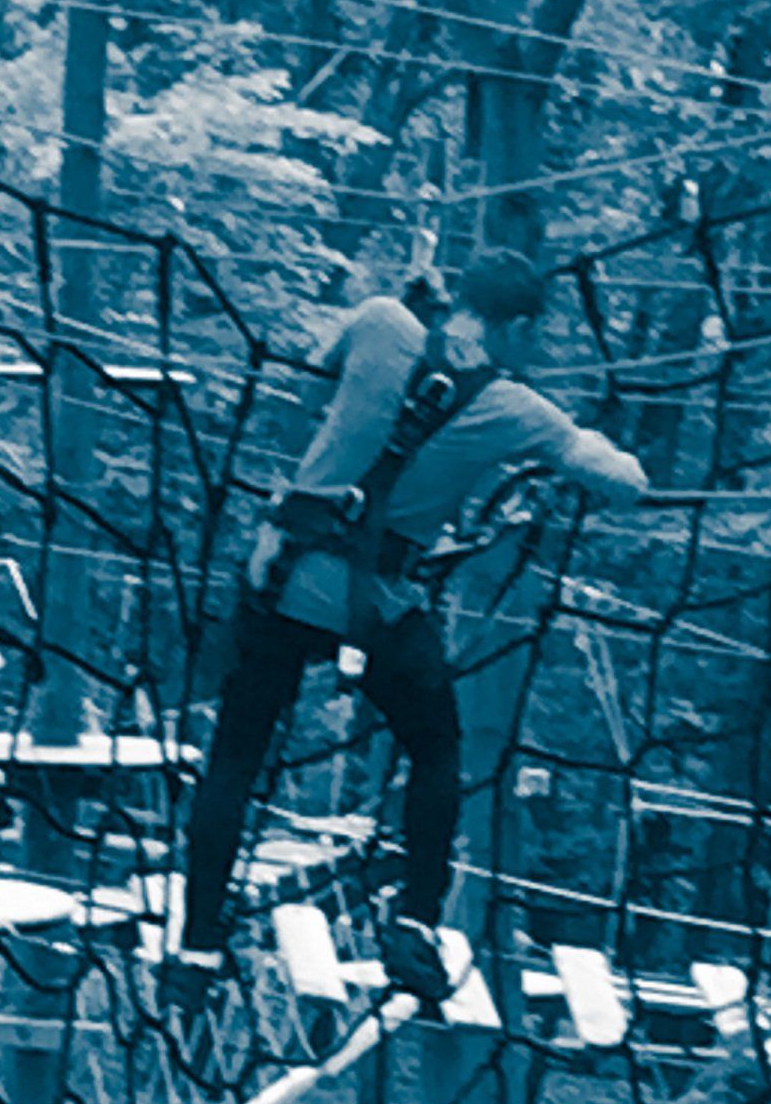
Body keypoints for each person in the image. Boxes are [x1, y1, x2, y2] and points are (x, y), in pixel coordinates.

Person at [173, 249, 648, 1005]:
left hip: (283, 577)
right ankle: (416, 922)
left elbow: (315, 365)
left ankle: (194, 952)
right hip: (381, 607)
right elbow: (623, 481)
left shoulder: (378, 320)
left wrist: (397, 325)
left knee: (235, 756)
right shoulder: (516, 409)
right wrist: (582, 460)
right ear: (517, 326)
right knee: (435, 751)